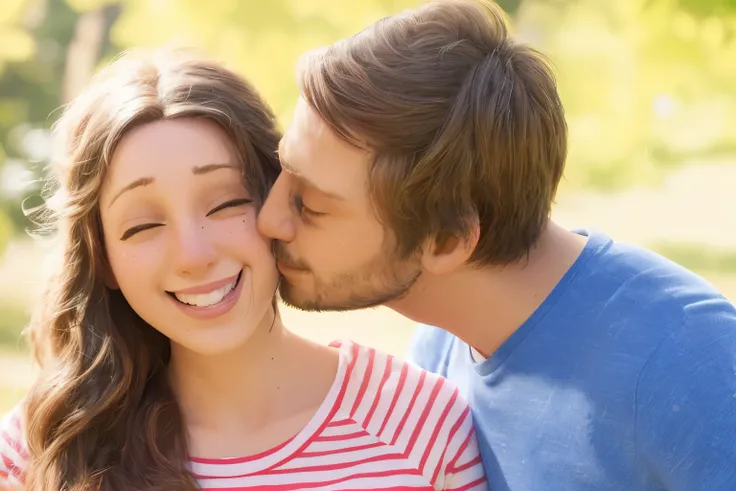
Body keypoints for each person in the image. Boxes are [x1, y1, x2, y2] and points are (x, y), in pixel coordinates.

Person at [256, 0, 736, 490]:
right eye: (282, 169)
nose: (269, 219)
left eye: (310, 206)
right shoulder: (441, 348)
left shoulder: (689, 361)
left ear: (446, 241)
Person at [0, 49, 486, 491]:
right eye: (144, 225)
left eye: (226, 204)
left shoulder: (421, 426)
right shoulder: (42, 448)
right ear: (103, 259)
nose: (194, 254)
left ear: (280, 202)